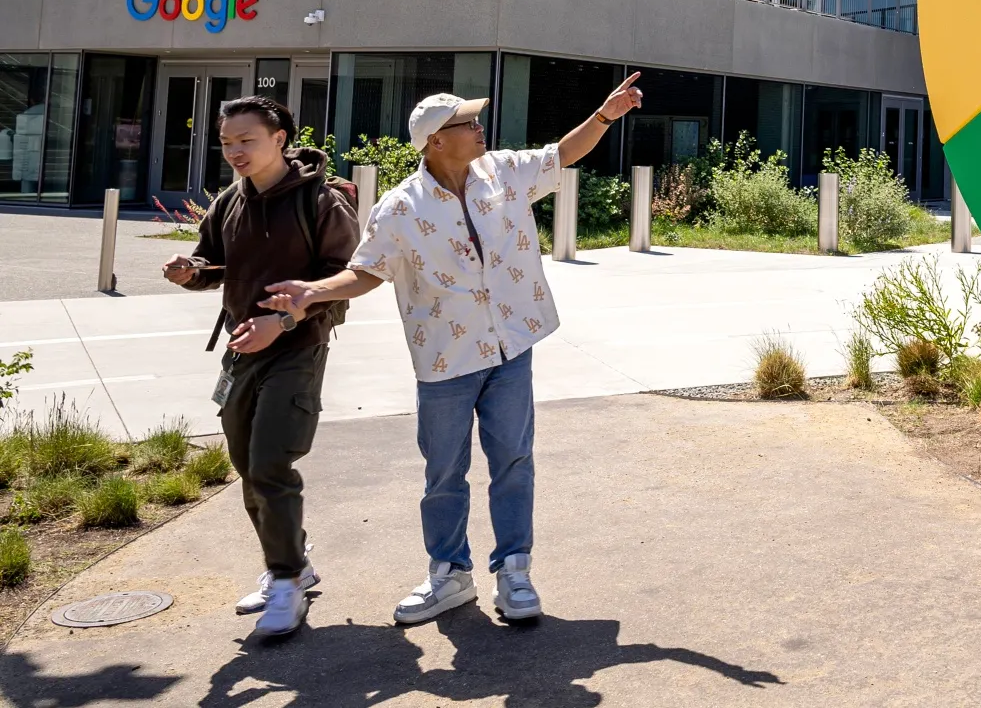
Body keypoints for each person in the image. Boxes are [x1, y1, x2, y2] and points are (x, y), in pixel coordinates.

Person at [263, 73, 643, 626]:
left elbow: (562, 153)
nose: (480, 126)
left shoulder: (504, 172)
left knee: (514, 462)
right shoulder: (399, 208)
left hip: (512, 345)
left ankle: (514, 570)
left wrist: (606, 115)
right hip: (446, 359)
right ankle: (449, 573)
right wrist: (312, 293)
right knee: (444, 471)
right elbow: (366, 272)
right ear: (436, 141)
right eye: (468, 122)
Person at [162, 95, 358, 640]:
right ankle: (292, 560)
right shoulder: (230, 200)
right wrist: (190, 271)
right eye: (226, 143)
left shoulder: (322, 201)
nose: (234, 152)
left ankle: (287, 580)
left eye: (246, 140)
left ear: (280, 138)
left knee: (270, 461)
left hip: (297, 347)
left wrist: (287, 321)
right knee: (248, 464)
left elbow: (346, 280)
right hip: (241, 347)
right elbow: (214, 263)